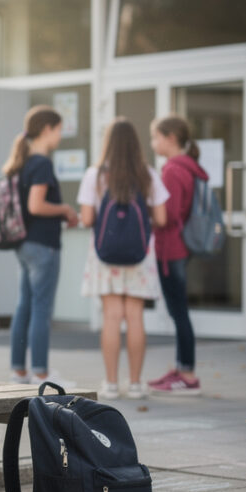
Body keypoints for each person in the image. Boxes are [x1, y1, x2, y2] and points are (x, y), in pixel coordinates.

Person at [76, 119, 168, 400]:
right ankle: (138, 384)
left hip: (105, 257)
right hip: (139, 256)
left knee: (112, 317)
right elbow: (162, 218)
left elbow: (88, 218)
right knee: (135, 316)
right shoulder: (148, 175)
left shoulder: (96, 175)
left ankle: (112, 384)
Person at [0, 105, 79, 388]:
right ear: (48, 129)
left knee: (25, 307)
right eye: (58, 130)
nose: (60, 136)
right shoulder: (42, 163)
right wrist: (65, 210)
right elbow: (36, 204)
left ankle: (19, 371)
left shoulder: (22, 163)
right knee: (42, 309)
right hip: (43, 245)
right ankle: (41, 373)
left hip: (24, 244)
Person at [149, 115, 206, 396]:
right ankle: (183, 368)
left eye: (155, 137)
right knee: (178, 310)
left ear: (171, 138)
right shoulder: (189, 166)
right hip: (179, 247)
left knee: (179, 311)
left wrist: (147, 210)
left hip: (170, 249)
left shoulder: (172, 169)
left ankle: (187, 374)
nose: (153, 143)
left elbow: (167, 216)